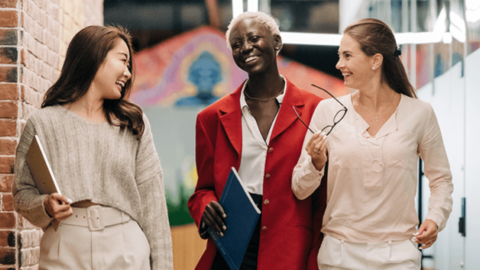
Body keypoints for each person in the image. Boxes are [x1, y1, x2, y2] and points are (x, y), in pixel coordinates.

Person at [292, 18, 454, 269]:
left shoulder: (420, 113)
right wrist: (315, 163)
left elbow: (441, 179)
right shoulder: (328, 110)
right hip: (339, 255)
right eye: (339, 55)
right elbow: (299, 188)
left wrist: (435, 218)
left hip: (399, 255)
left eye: (347, 55)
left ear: (375, 60)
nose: (338, 64)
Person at [12, 25, 173, 270]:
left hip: (126, 246)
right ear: (95, 57)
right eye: (123, 60)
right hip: (63, 247)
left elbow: (155, 210)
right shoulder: (43, 123)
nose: (128, 73)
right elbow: (22, 195)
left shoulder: (132, 123)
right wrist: (44, 205)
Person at [188, 11, 326, 270]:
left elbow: (322, 200)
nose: (245, 48)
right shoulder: (211, 118)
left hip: (290, 248)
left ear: (276, 42)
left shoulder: (315, 109)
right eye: (237, 44)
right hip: (231, 243)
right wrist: (205, 205)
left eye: (253, 38)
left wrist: (315, 257)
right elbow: (202, 191)